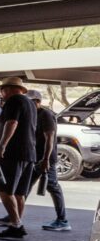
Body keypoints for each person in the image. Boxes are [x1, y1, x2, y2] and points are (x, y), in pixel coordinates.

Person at [0, 77, 37, 240]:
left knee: (4, 189)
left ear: (8, 89)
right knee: (18, 192)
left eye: (1, 90)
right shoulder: (30, 103)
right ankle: (15, 223)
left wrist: (2, 146)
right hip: (28, 153)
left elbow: (12, 123)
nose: (1, 94)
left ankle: (16, 224)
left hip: (12, 153)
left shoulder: (14, 101)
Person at [27, 90, 70, 231]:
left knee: (52, 186)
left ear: (38, 102)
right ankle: (14, 217)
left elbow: (49, 138)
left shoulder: (46, 114)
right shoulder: (32, 114)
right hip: (35, 157)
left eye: (30, 101)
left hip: (46, 158)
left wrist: (46, 159)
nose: (28, 104)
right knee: (24, 186)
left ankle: (62, 220)